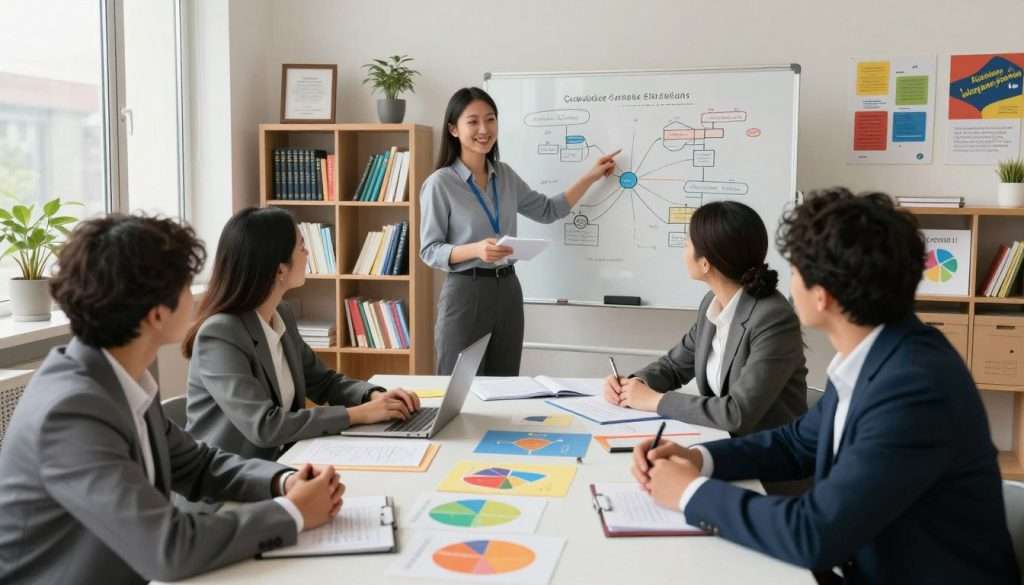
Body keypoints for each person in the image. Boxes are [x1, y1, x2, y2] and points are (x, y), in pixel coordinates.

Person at [631, 189, 1019, 584]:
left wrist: (689, 493)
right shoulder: (877, 353)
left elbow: (814, 533)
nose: (783, 281)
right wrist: (699, 459)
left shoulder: (914, 389)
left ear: (822, 297)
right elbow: (797, 442)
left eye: (795, 269)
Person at [0, 214, 343, 584]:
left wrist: (283, 482)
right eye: (185, 287)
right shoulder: (71, 412)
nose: (197, 298)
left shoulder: (116, 381)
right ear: (158, 315)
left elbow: (199, 465)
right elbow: (168, 548)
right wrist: (292, 512)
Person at [183, 207, 420, 464]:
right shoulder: (220, 335)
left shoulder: (280, 314)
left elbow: (323, 382)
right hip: (231, 480)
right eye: (302, 247)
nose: (308, 254)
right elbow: (265, 426)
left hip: (284, 463)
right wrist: (358, 415)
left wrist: (373, 396)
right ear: (280, 270)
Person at [419, 86, 619, 375]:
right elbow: (429, 250)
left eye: (490, 119)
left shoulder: (506, 176)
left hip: (508, 291)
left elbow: (549, 210)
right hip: (466, 291)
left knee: (505, 384)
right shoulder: (441, 183)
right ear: (453, 129)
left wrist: (591, 176)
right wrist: (476, 250)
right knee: (458, 385)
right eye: (473, 121)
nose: (484, 129)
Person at [603, 201, 807, 438]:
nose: (683, 249)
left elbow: (737, 413)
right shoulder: (713, 303)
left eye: (688, 243)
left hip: (767, 460)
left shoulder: (773, 319)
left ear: (705, 262)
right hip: (722, 442)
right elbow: (673, 367)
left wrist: (655, 401)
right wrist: (632, 385)